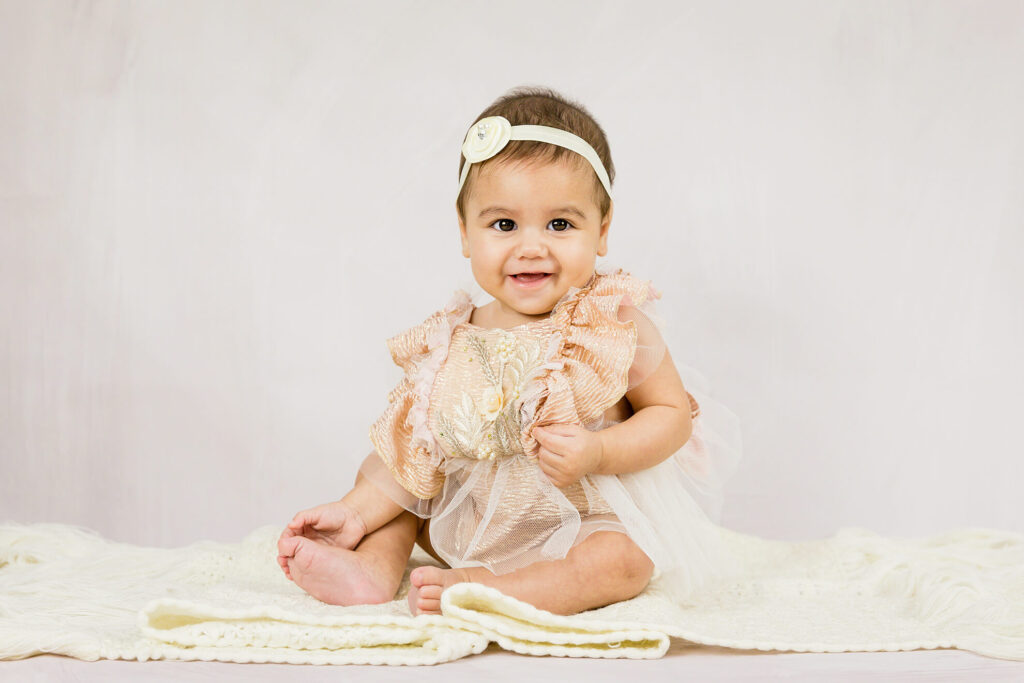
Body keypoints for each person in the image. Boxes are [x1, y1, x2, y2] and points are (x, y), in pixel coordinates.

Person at [276, 86, 741, 616]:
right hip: (469, 518)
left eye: (560, 224)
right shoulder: (450, 338)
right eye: (504, 224)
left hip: (577, 519)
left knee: (626, 561)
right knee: (402, 479)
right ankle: (374, 563)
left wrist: (599, 453)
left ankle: (500, 590)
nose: (531, 246)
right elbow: (410, 451)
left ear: (603, 230)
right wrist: (355, 512)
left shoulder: (610, 323)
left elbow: (671, 415)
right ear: (465, 233)